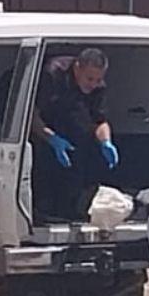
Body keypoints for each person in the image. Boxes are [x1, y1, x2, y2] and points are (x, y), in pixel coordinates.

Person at [31, 49, 119, 221]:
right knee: (46, 182)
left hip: (74, 136)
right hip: (45, 134)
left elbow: (100, 120)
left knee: (74, 183)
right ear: (77, 68)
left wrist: (106, 142)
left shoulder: (97, 86)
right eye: (89, 78)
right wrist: (52, 139)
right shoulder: (52, 74)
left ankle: (70, 214)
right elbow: (31, 115)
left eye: (98, 79)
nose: (93, 84)